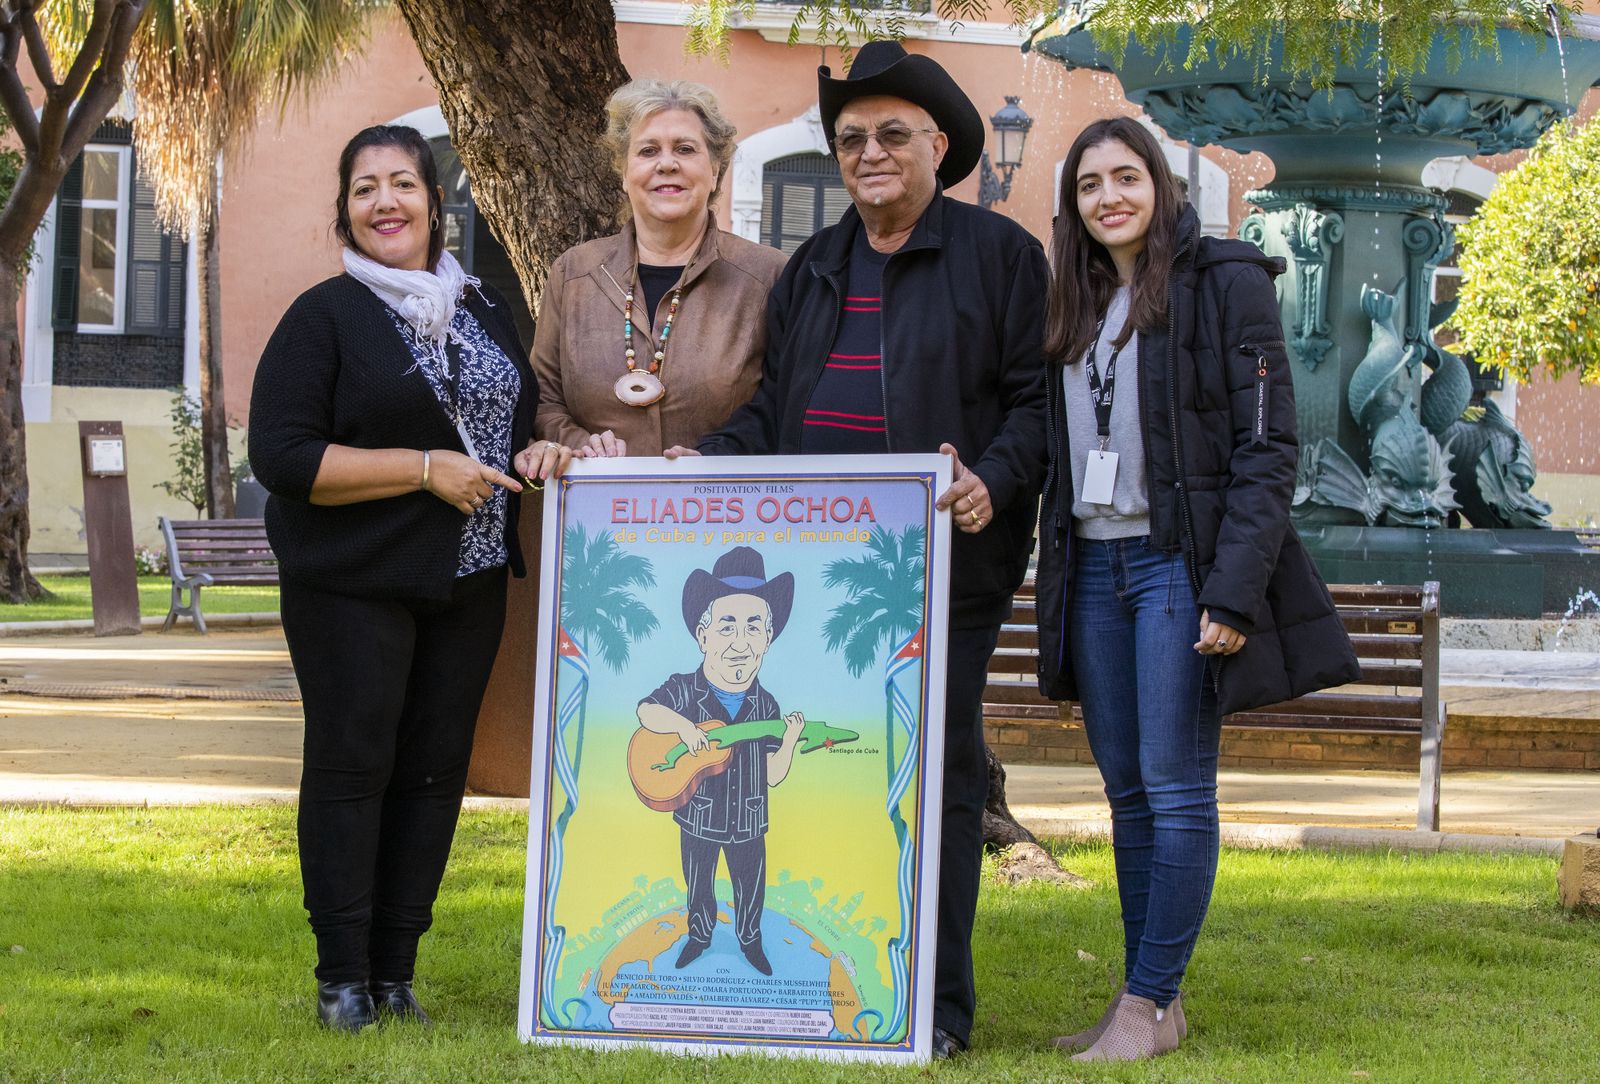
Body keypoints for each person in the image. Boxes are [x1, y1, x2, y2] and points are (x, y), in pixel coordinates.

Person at [673, 41, 1048, 1059]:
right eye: (850, 139)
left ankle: (935, 1004)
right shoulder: (815, 268)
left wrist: (988, 480)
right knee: (830, 777)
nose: (868, 152)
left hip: (941, 572)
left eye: (890, 134)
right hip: (820, 573)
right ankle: (824, 979)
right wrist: (693, 465)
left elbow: (1033, 407)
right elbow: (774, 413)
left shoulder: (1000, 257)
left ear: (937, 145)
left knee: (939, 776)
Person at [1034, 117, 1361, 1061]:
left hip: (1179, 569)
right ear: (1074, 204)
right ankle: (1152, 1002)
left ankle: (1147, 1000)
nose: (1109, 198)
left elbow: (1268, 452)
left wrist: (1231, 591)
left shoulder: (1228, 283)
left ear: (1162, 186)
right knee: (1126, 793)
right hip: (1094, 566)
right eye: (1090, 185)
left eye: (1126, 178)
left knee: (1177, 788)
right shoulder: (1076, 302)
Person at [249, 124, 571, 1032]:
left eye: (402, 183)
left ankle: (396, 972)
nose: (385, 201)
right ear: (345, 211)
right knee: (355, 767)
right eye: (364, 188)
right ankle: (342, 979)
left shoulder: (480, 309)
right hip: (350, 581)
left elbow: (501, 431)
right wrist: (424, 468)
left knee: (433, 775)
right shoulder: (325, 315)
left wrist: (540, 450)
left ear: (435, 201)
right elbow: (281, 454)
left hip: (468, 584)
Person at [533, 78, 787, 458]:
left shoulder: (770, 277)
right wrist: (580, 445)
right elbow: (542, 399)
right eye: (648, 150)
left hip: (723, 508)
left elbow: (784, 404)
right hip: (596, 508)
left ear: (715, 169)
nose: (667, 164)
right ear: (623, 172)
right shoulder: (574, 274)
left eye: (685, 149)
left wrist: (718, 459)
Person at [636, 547, 807, 977]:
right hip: (698, 813)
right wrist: (683, 727)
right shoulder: (685, 690)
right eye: (727, 625)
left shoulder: (766, 704)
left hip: (749, 819)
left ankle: (751, 941)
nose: (740, 642)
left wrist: (788, 741)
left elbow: (771, 774)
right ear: (703, 635)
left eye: (754, 627)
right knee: (698, 882)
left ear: (768, 639)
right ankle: (699, 935)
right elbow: (645, 712)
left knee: (751, 886)